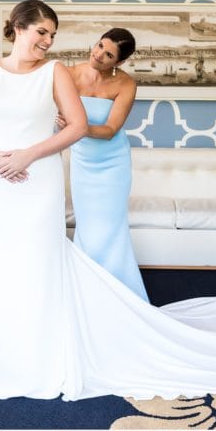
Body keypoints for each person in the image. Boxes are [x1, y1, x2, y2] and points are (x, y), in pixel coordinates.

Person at [0, 0, 216, 402]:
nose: (48, 41)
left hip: (38, 178)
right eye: (41, 32)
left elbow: (79, 126)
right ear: (17, 27)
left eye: (52, 34)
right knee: (4, 263)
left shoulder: (55, 72)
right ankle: (3, 354)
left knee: (40, 260)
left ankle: (45, 354)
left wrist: (28, 155)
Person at [61, 28, 150, 299]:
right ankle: (88, 295)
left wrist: (76, 127)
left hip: (112, 165)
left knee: (111, 230)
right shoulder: (68, 75)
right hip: (83, 164)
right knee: (87, 227)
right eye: (100, 45)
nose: (98, 54)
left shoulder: (126, 85)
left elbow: (111, 129)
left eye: (108, 54)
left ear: (119, 63)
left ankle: (121, 296)